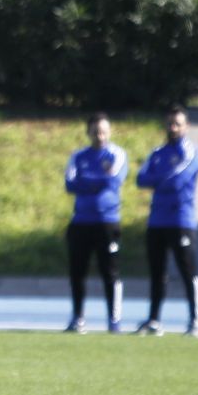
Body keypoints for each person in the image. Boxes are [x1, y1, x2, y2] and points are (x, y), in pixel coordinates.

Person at [135, 105, 198, 337]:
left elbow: (178, 179)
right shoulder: (157, 153)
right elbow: (141, 178)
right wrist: (159, 179)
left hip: (181, 220)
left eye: (178, 124)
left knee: (188, 271)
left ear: (186, 126)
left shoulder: (190, 152)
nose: (173, 128)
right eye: (170, 123)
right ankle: (154, 320)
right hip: (157, 220)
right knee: (157, 273)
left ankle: (195, 320)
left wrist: (157, 179)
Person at [63, 112, 128, 333]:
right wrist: (99, 179)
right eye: (95, 132)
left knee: (110, 272)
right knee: (77, 272)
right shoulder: (78, 156)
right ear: (88, 132)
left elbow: (113, 181)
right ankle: (78, 318)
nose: (100, 136)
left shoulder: (116, 154)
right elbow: (70, 184)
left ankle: (114, 320)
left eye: (103, 132)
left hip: (107, 222)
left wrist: (87, 180)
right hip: (81, 221)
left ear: (109, 132)